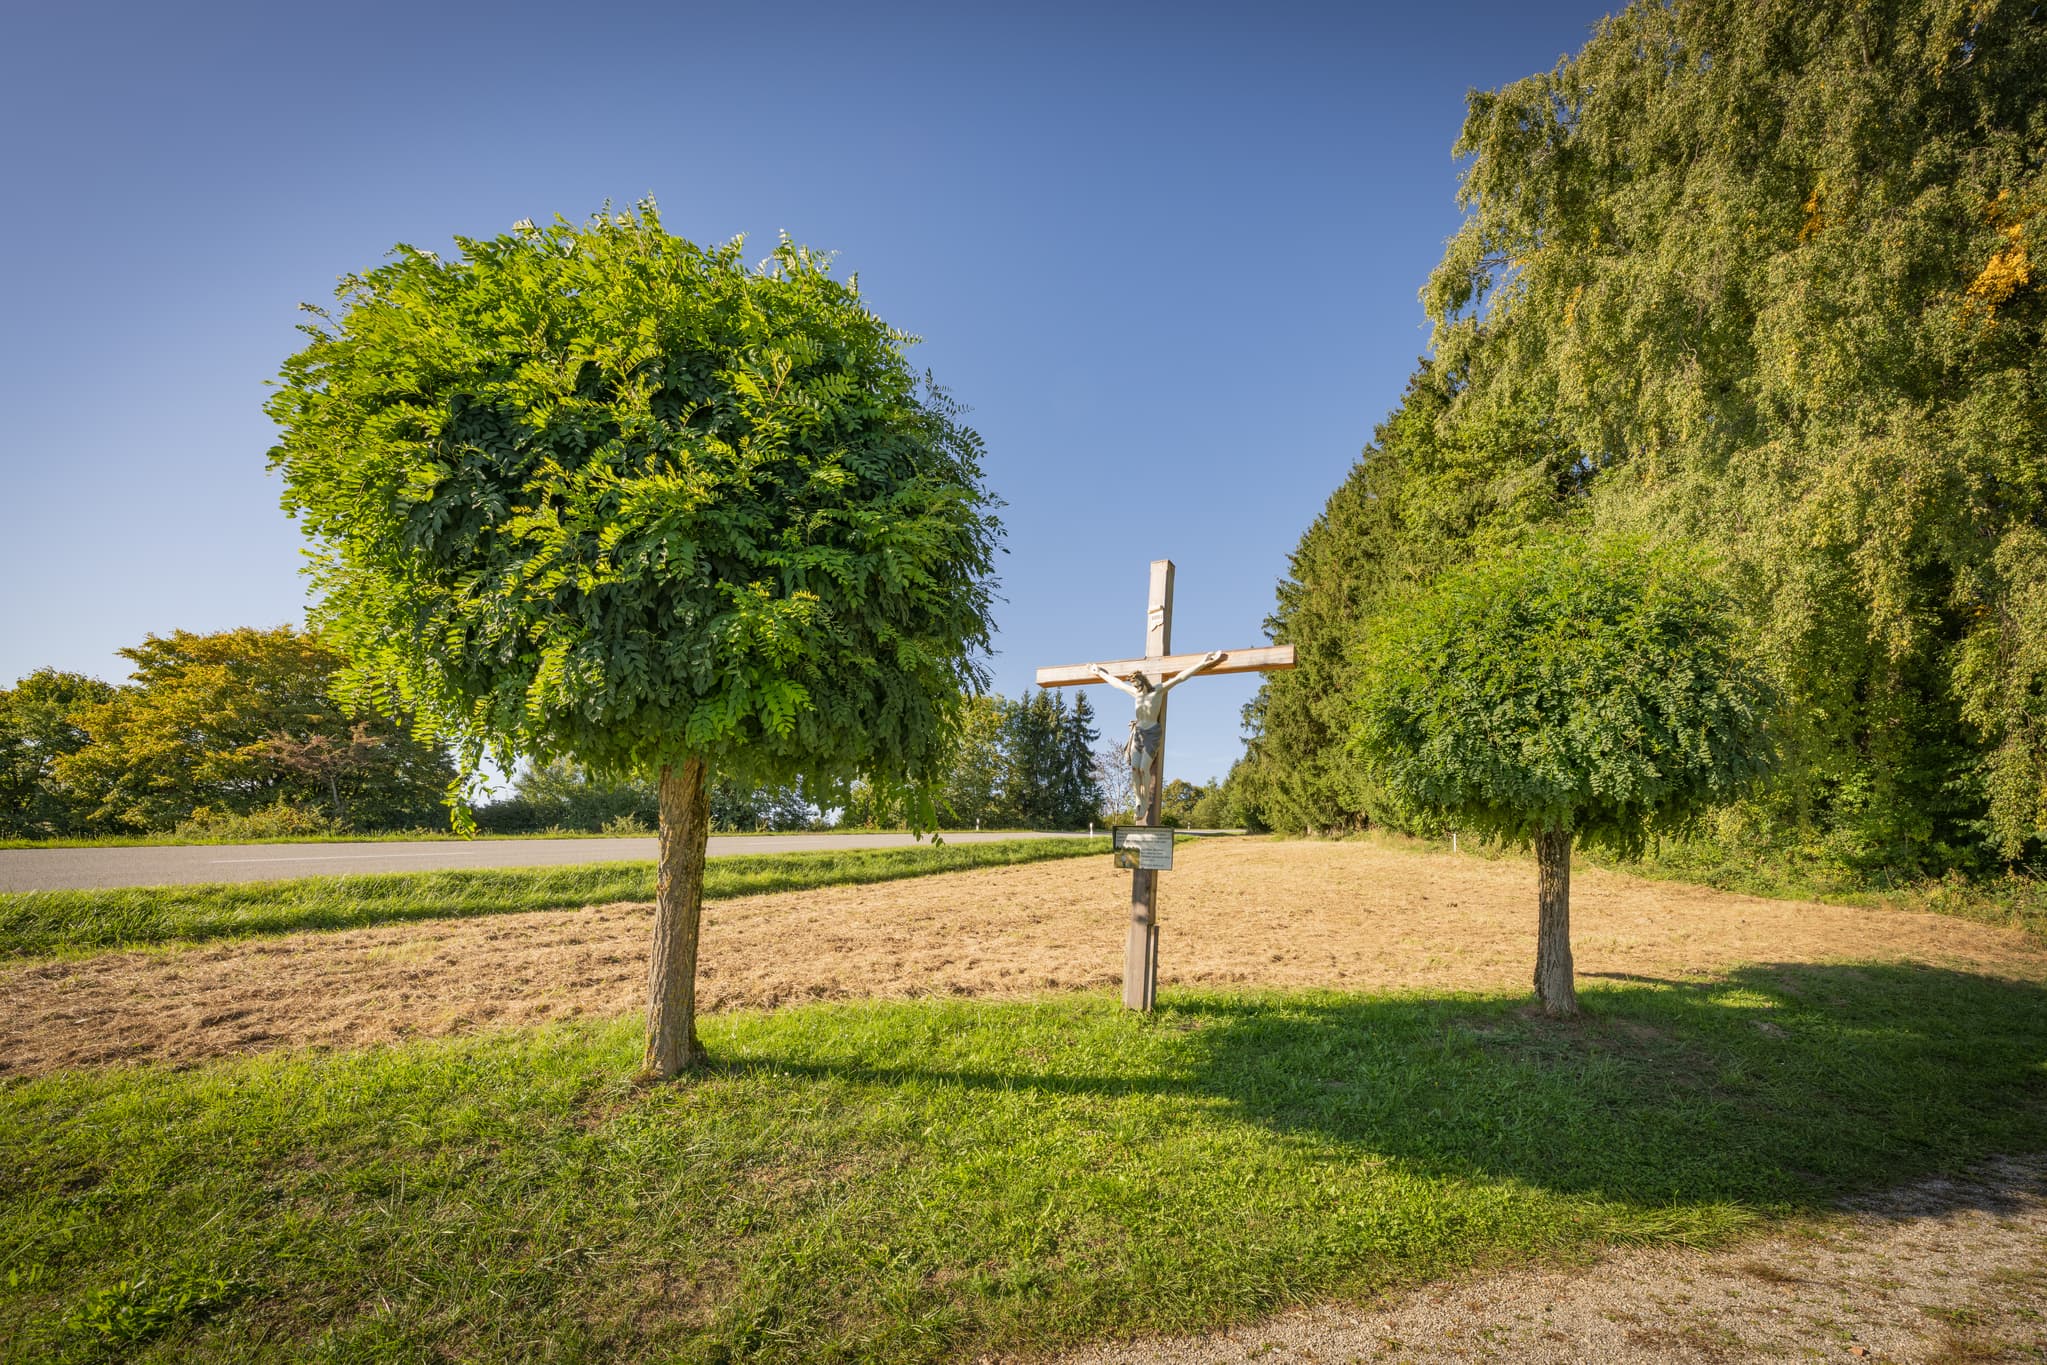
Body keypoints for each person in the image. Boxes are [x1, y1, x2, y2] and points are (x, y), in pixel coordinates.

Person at [1090, 651, 1225, 818]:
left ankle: (1145, 800)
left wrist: (1202, 663)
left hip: (1152, 733)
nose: (1136, 688)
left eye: (1138, 684)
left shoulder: (1158, 691)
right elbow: (1117, 683)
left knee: (1143, 768)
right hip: (1138, 733)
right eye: (1134, 685)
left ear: (1143, 680)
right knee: (1134, 769)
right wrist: (1100, 673)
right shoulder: (1135, 694)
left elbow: (1180, 678)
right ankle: (1139, 800)